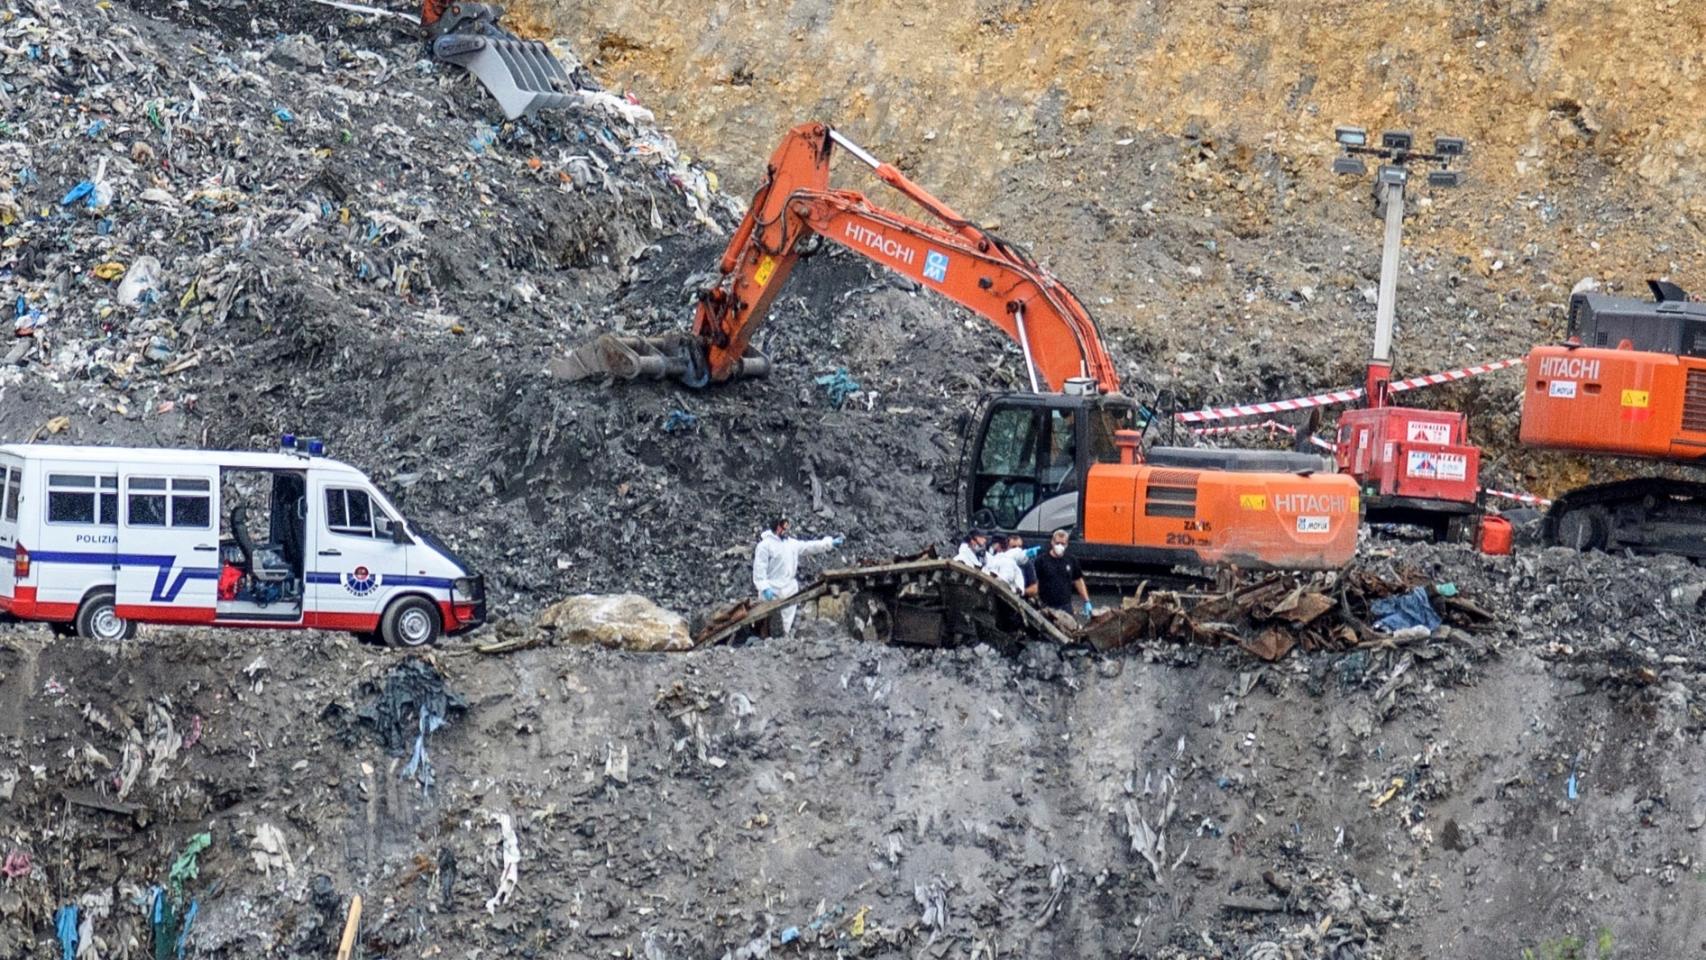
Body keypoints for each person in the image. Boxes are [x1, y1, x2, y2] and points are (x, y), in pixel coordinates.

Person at [753, 517, 842, 637]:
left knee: (786, 623)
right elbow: (759, 569)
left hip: (789, 589)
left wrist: (829, 543)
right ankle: (766, 640)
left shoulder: (791, 544)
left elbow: (809, 546)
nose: (786, 530)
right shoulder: (765, 546)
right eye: (783, 527)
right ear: (777, 528)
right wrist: (764, 587)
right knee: (768, 623)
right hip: (772, 590)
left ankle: (784, 637)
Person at [1034, 528, 1092, 619]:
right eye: (1057, 543)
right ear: (1052, 542)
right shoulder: (1041, 561)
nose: (1059, 546)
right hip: (1046, 606)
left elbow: (1078, 580)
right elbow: (1035, 583)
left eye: (1063, 544)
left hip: (1065, 606)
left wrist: (1086, 601)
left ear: (1067, 544)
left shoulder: (1071, 560)